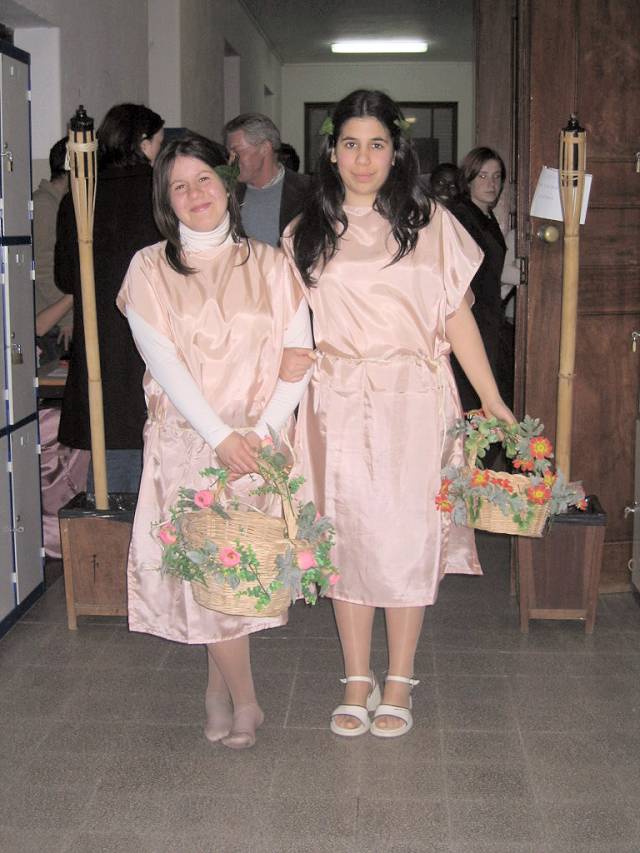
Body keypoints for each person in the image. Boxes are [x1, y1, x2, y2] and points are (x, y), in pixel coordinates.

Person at [280, 90, 514, 738]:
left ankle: (401, 675)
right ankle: (357, 676)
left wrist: (491, 398)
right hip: (336, 401)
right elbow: (287, 328)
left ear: (396, 152)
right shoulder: (305, 232)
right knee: (346, 538)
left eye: (377, 144)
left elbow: (455, 317)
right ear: (332, 152)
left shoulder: (430, 221)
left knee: (407, 538)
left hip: (414, 399)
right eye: (351, 144)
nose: (363, 158)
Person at [116, 134, 312, 749]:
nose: (195, 193)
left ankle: (216, 689)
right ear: (165, 200)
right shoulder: (149, 268)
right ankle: (246, 701)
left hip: (259, 442)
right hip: (190, 440)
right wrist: (220, 437)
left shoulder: (272, 264)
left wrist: (262, 433)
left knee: (233, 572)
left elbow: (299, 355)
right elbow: (164, 363)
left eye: (204, 178)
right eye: (179, 185)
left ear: (227, 183)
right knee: (211, 566)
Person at [55, 103, 165, 493]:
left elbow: (66, 277)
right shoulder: (160, 194)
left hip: (100, 344)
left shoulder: (81, 195)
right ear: (143, 143)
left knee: (110, 470)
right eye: (159, 143)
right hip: (154, 341)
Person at [449, 147, 508, 412]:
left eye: (496, 176)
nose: (491, 183)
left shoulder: (485, 215)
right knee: (470, 395)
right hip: (469, 317)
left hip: (488, 314)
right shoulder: (460, 215)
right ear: (469, 179)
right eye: (483, 176)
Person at [223, 113, 310, 246]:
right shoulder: (226, 194)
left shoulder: (310, 192)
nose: (231, 161)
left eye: (237, 152)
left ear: (265, 148)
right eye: (229, 153)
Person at [33, 137, 72, 365]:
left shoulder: (59, 204)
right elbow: (44, 269)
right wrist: (67, 317)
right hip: (50, 322)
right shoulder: (45, 205)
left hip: (56, 318)